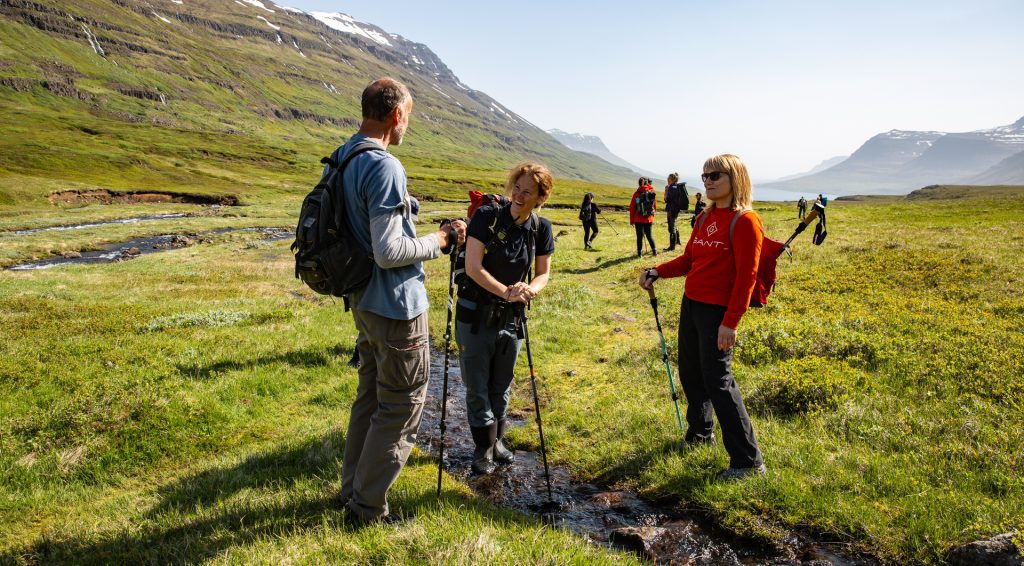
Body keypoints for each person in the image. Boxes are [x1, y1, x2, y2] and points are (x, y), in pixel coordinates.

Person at [337, 77, 467, 523]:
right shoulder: (385, 165)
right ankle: (368, 508)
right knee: (401, 406)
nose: (408, 122)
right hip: (395, 306)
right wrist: (442, 239)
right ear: (396, 114)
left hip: (363, 301)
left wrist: (406, 212)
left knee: (371, 397)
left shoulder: (344, 155)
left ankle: (352, 489)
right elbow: (389, 252)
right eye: (408, 114)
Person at [639, 153, 766, 481]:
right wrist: (657, 270)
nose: (708, 180)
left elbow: (746, 278)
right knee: (691, 375)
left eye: (716, 175)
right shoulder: (705, 217)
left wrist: (731, 321)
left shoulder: (746, 221)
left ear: (734, 178)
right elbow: (689, 260)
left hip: (718, 313)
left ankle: (748, 462)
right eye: (705, 175)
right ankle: (700, 434)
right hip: (692, 304)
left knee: (719, 383)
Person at [455, 162, 555, 475]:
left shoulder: (540, 227)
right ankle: (482, 449)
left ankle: (497, 442)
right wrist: (506, 292)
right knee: (477, 386)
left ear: (541, 197)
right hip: (475, 315)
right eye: (517, 187)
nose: (519, 195)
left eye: (528, 191)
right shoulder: (486, 217)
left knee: (502, 383)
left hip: (512, 319)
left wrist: (529, 290)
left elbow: (543, 274)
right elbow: (473, 267)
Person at [629, 177, 657, 258]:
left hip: (638, 218)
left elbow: (632, 207)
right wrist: (652, 215)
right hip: (649, 218)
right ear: (647, 183)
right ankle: (654, 251)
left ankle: (639, 253)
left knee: (639, 237)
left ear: (639, 183)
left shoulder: (637, 193)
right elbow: (654, 205)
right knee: (649, 235)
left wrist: (632, 220)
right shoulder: (652, 192)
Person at [663, 173, 689, 251]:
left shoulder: (671, 188)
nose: (667, 179)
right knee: (674, 225)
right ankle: (677, 242)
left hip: (671, 209)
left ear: (673, 179)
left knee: (671, 227)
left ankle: (672, 246)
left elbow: (667, 199)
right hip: (676, 209)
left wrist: (666, 192)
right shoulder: (677, 187)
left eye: (669, 178)